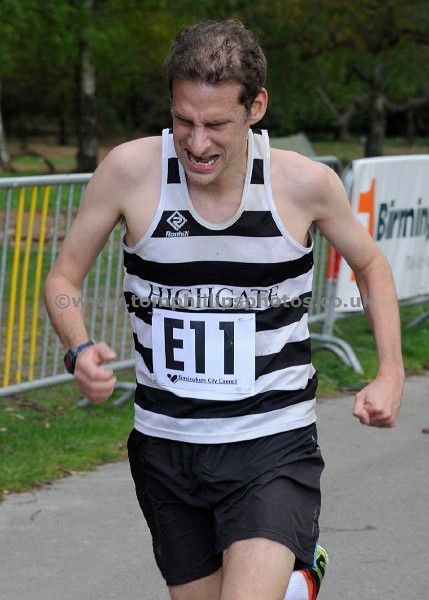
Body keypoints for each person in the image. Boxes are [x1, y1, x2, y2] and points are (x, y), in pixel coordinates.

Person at [44, 19, 404, 600]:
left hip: (272, 441)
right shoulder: (130, 172)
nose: (196, 143)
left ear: (255, 107)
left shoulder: (302, 184)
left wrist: (391, 372)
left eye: (216, 124)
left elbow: (371, 265)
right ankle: (297, 581)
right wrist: (78, 347)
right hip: (166, 444)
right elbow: (64, 279)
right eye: (183, 120)